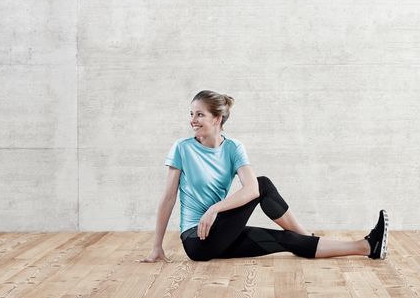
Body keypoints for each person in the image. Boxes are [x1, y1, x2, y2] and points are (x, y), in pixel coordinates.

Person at [137, 90, 389, 263]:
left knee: (285, 239)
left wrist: (215, 208)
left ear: (217, 118)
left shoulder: (233, 148)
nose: (192, 120)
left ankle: (367, 247)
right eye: (191, 113)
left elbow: (252, 190)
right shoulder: (182, 148)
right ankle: (306, 235)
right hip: (197, 240)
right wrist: (156, 246)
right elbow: (168, 197)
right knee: (264, 184)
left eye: (199, 114)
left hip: (220, 231)